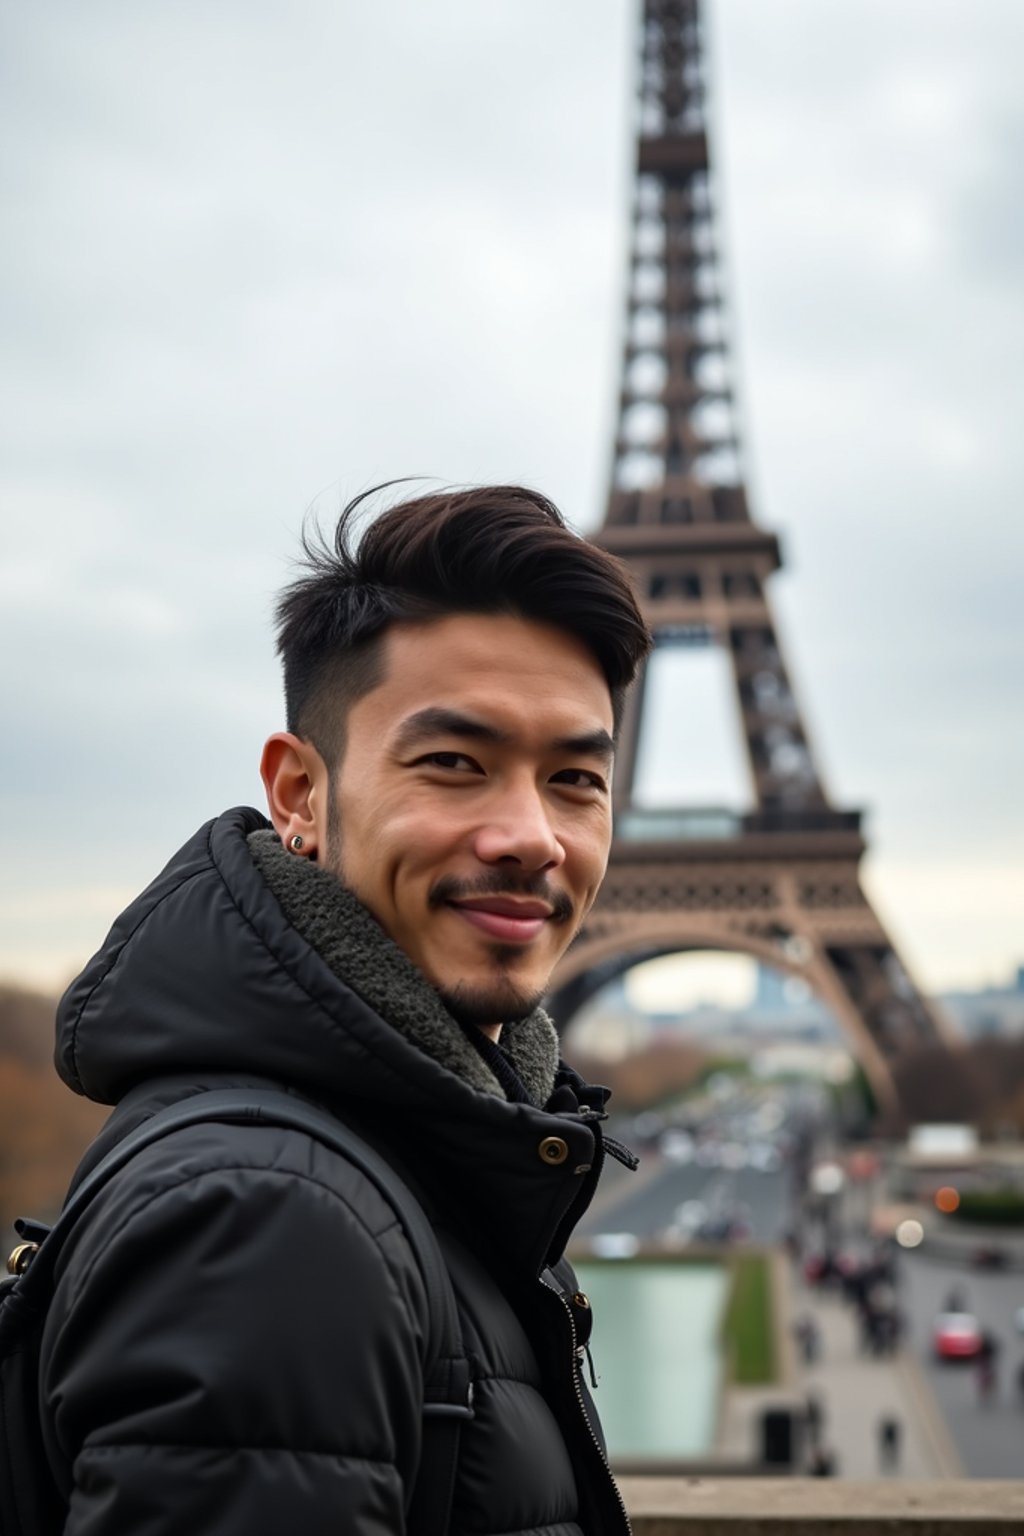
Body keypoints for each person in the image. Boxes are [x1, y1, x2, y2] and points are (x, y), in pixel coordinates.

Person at [41, 485, 652, 1535]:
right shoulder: (269, 1212)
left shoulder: (409, 1148)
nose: (531, 835)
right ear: (299, 797)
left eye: (575, 780)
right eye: (454, 764)